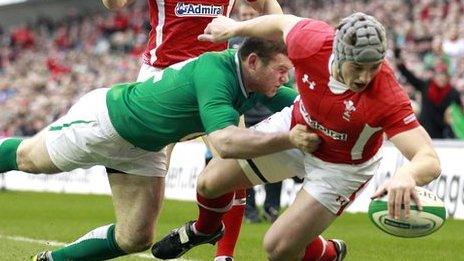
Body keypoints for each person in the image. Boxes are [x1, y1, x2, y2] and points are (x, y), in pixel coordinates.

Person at [152, 12, 442, 261]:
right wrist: (236, 28)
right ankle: (205, 230)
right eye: (357, 67)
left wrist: (407, 176)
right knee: (209, 182)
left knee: (277, 248)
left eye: (373, 67)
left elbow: (427, 158)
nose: (365, 77)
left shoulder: (386, 95)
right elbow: (281, 22)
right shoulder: (313, 42)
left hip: (340, 167)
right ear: (337, 53)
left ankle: (327, 253)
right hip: (297, 127)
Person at [2, 38, 320, 261]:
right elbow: (224, 143)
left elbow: (302, 103)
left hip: (144, 149)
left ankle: (52, 260)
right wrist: (289, 139)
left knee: (135, 237)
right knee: (28, 159)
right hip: (107, 123)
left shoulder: (256, 82)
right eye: (281, 70)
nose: (285, 77)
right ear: (253, 61)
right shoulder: (216, 70)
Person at [102, 1, 284, 260]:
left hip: (215, 78)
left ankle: (223, 255)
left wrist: (275, 42)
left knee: (236, 165)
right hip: (162, 80)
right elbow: (115, 4)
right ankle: (131, 236)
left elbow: (267, 5)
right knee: (139, 220)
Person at [395, 48, 462, 138]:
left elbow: (460, 111)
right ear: (434, 76)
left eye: (443, 75)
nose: (441, 78)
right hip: (425, 130)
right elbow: (410, 77)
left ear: (448, 77)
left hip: (444, 133)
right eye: (438, 75)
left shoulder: (453, 92)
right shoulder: (426, 86)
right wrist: (399, 62)